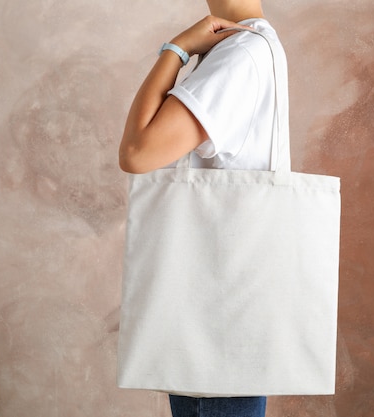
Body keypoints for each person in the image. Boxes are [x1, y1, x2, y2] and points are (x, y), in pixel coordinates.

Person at [118, 1, 286, 416]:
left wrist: (175, 50)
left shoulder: (240, 55)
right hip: (235, 310)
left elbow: (137, 153)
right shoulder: (260, 46)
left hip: (215, 321)